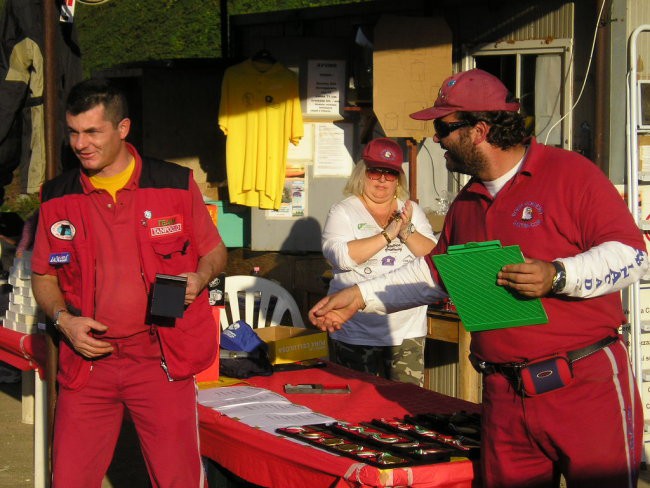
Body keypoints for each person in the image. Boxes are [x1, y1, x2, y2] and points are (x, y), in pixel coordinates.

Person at [309, 68, 648, 487]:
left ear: (480, 130)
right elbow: (436, 273)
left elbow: (633, 255)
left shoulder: (570, 174)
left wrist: (559, 275)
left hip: (583, 387)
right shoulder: (467, 200)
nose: (436, 138)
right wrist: (360, 295)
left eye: (444, 127)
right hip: (504, 394)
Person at [31, 78, 227, 487]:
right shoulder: (56, 197)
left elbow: (214, 251)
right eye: (73, 132)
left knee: (179, 480)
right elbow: (43, 274)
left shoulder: (174, 184)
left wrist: (201, 276)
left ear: (122, 128)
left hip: (159, 357)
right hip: (88, 362)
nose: (80, 144)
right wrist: (64, 320)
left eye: (92, 132)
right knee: (68, 479)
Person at [322, 137, 436, 386]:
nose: (382, 180)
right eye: (375, 172)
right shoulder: (343, 211)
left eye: (390, 173)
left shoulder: (411, 211)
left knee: (407, 407)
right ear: (362, 173)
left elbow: (435, 258)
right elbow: (341, 257)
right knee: (356, 407)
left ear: (398, 179)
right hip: (356, 330)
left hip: (406, 332)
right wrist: (388, 234)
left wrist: (407, 231)